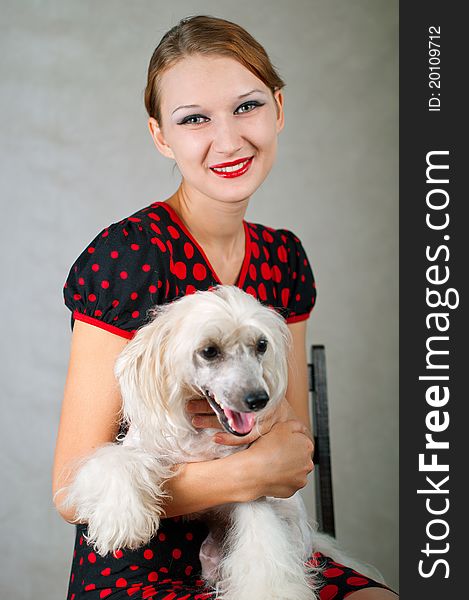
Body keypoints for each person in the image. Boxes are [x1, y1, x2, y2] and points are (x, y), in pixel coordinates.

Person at [53, 15, 397, 600]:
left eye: (247, 107)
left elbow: (290, 443)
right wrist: (246, 471)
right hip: (135, 563)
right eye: (194, 120)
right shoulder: (129, 258)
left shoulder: (283, 259)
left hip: (263, 544)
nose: (230, 139)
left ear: (279, 109)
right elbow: (71, 491)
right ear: (162, 136)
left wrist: (267, 461)